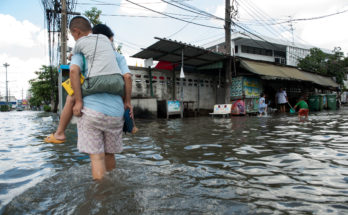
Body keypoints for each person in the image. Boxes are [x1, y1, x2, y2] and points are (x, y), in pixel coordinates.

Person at [44, 21, 133, 144]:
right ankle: (132, 126)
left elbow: (74, 70)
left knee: (71, 97)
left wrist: (79, 101)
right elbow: (127, 77)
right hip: (115, 109)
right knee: (109, 154)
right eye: (111, 41)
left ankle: (60, 132)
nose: (111, 44)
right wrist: (127, 101)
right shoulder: (117, 56)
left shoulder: (82, 53)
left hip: (91, 104)